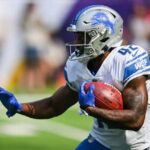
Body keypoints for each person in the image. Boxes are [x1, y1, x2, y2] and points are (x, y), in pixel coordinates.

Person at [0, 5, 150, 150]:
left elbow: (136, 119)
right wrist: (20, 107)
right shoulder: (78, 65)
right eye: (77, 36)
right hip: (101, 142)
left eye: (83, 37)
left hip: (141, 145)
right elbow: (53, 105)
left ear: (104, 36)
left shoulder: (126, 60)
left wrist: (92, 110)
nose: (77, 43)